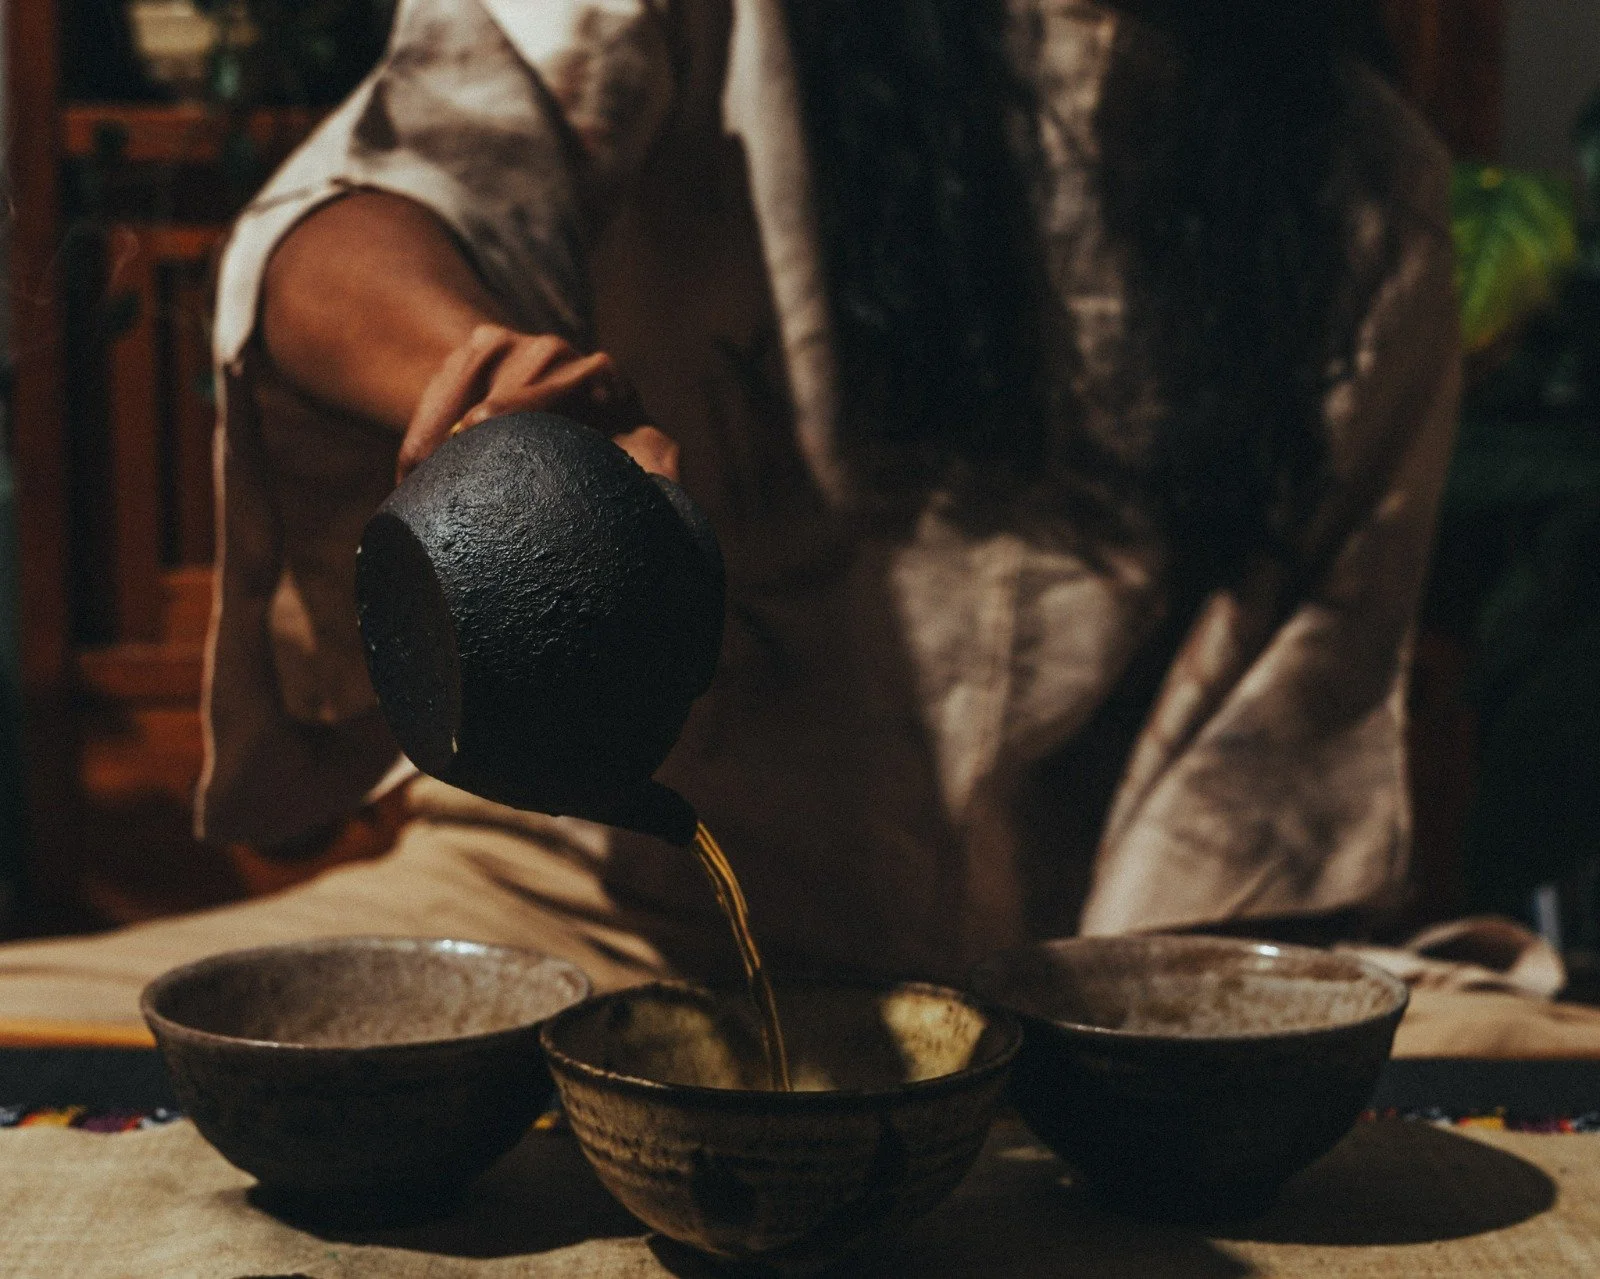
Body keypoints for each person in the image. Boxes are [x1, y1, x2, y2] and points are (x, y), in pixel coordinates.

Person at [0, 0, 1484, 1030]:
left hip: (1063, 970)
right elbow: (375, 203)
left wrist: (1078, 1054)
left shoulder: (1361, 196)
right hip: (582, 897)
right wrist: (489, 378)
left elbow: (1248, 786)